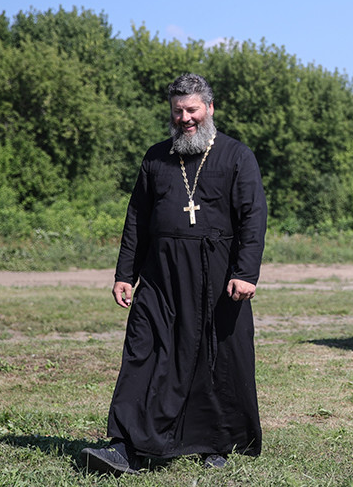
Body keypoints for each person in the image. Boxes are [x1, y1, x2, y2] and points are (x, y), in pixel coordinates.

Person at [81, 74, 268, 475]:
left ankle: (217, 442)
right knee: (142, 351)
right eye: (178, 111)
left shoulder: (237, 156)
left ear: (210, 109)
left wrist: (246, 272)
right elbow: (137, 220)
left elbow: (254, 218)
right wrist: (124, 273)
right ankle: (124, 445)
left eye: (192, 110)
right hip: (160, 276)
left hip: (217, 278)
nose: (185, 118)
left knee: (215, 358)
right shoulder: (156, 157)